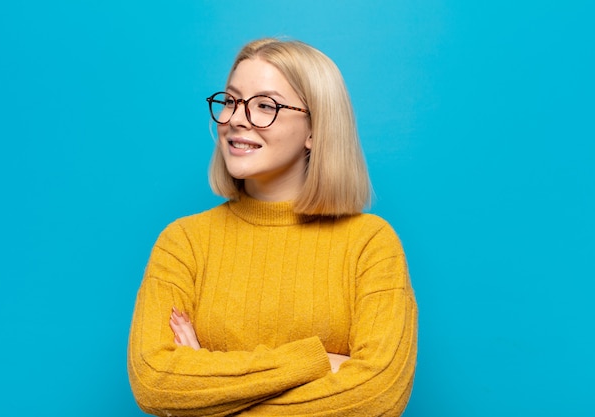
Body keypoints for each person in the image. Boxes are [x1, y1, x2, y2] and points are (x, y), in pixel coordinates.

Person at [127, 37, 418, 417]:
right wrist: (316, 361)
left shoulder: (370, 244)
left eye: (265, 105)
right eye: (230, 100)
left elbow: (377, 396)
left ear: (315, 129)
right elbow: (155, 382)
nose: (235, 119)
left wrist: (209, 396)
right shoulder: (183, 242)